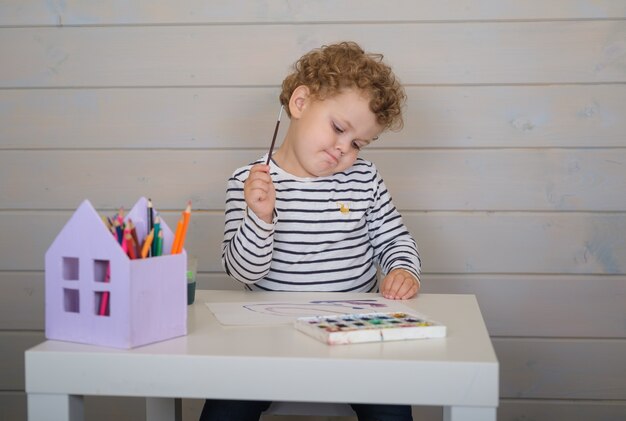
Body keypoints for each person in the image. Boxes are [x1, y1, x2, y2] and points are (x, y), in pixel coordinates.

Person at [200, 41, 420, 421]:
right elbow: (244, 272)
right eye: (338, 128)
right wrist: (260, 216)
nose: (343, 149)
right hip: (267, 338)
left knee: (391, 405)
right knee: (224, 407)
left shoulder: (363, 179)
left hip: (356, 336)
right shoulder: (250, 182)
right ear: (300, 103)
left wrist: (402, 269)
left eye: (357, 144)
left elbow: (394, 238)